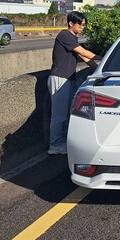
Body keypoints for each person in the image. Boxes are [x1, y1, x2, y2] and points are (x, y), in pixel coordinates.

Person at [47, 11, 102, 155]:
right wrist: (106, 57)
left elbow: (84, 58)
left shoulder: (72, 38)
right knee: (58, 114)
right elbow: (85, 53)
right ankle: (55, 145)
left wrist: (101, 69)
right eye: (80, 24)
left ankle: (62, 142)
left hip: (68, 78)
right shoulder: (64, 35)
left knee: (66, 113)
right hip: (59, 78)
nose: (82, 27)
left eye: (84, 25)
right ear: (71, 23)